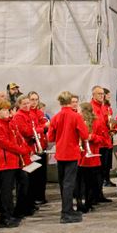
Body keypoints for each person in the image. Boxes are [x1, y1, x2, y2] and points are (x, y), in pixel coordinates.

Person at [47, 91, 89, 224]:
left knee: (63, 183)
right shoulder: (76, 116)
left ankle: (67, 209)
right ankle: (66, 213)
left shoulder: (56, 117)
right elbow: (85, 134)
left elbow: (50, 137)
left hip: (60, 153)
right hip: (71, 154)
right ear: (70, 101)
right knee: (69, 184)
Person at [0, 99, 31, 228]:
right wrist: (22, 150)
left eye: (8, 109)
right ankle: (4, 219)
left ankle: (14, 213)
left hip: (14, 161)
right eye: (4, 110)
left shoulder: (9, 123)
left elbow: (17, 138)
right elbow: (6, 144)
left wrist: (24, 148)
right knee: (6, 191)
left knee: (22, 184)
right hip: (5, 162)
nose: (8, 112)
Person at [76, 103, 108, 213]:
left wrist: (92, 137)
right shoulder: (78, 121)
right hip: (81, 156)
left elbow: (103, 139)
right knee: (81, 183)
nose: (78, 112)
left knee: (91, 182)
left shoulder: (97, 122)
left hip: (92, 156)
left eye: (79, 110)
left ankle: (89, 203)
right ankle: (81, 203)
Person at [90, 86, 114, 201]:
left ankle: (99, 194)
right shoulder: (91, 108)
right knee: (95, 172)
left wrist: (112, 128)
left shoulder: (104, 107)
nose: (101, 95)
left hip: (105, 142)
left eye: (102, 94)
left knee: (103, 171)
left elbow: (106, 123)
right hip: (96, 144)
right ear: (93, 95)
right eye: (99, 93)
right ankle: (94, 195)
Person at [28, 91, 49, 205]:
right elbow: (32, 130)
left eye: (36, 99)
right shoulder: (27, 113)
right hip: (33, 148)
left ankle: (41, 196)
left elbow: (46, 124)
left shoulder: (40, 112)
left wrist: (41, 128)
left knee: (42, 175)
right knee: (34, 175)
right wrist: (42, 128)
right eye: (32, 99)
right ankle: (34, 197)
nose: (34, 102)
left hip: (42, 146)